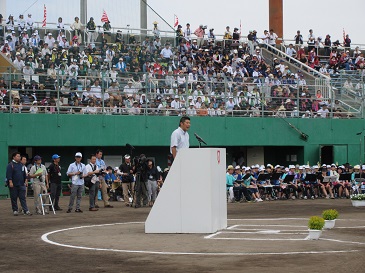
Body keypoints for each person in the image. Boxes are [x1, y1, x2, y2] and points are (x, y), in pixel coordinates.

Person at [6, 152, 32, 216]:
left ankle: (26, 210)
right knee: (14, 198)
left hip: (21, 184)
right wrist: (10, 182)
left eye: (19, 156)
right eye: (18, 156)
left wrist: (25, 181)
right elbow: (8, 174)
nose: (19, 157)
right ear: (14, 157)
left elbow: (24, 174)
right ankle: (15, 210)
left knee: (22, 198)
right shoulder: (10, 165)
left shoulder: (21, 165)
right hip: (13, 185)